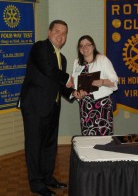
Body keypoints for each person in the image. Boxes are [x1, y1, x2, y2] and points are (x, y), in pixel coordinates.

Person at [18, 20, 85, 196]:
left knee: (49, 144)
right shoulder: (40, 48)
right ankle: (36, 183)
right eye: (57, 31)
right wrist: (69, 78)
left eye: (64, 33)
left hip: (52, 106)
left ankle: (47, 177)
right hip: (34, 106)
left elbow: (59, 83)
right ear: (49, 32)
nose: (60, 36)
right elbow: (49, 70)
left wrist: (72, 94)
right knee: (34, 145)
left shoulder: (61, 58)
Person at [70, 35, 118, 136]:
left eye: (88, 44)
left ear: (93, 46)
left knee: (103, 136)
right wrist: (76, 93)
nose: (85, 47)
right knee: (87, 135)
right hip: (85, 105)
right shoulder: (77, 63)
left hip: (102, 104)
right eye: (81, 46)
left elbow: (114, 81)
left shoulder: (102, 59)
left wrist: (102, 82)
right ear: (79, 49)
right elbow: (75, 84)